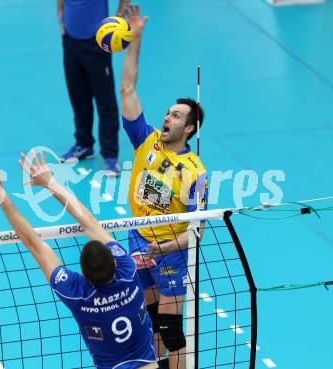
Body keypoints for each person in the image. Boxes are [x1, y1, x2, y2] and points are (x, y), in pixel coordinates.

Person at [0, 149, 157, 369]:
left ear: (83, 275)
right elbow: (90, 222)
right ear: (114, 262)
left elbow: (34, 244)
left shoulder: (76, 292)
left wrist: (2, 198)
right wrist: (51, 182)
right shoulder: (128, 270)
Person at [120, 4, 209, 369]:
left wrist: (166, 245)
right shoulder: (146, 140)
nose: (167, 117)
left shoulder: (195, 172)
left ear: (189, 128)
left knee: (170, 330)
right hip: (138, 239)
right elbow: (127, 88)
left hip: (171, 250)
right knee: (147, 325)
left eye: (176, 115)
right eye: (168, 112)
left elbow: (197, 230)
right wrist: (135, 39)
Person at [57, 0, 129, 176]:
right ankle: (84, 144)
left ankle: (110, 155)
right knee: (78, 95)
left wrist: (118, 18)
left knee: (105, 100)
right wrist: (61, 20)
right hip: (70, 40)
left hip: (96, 42)